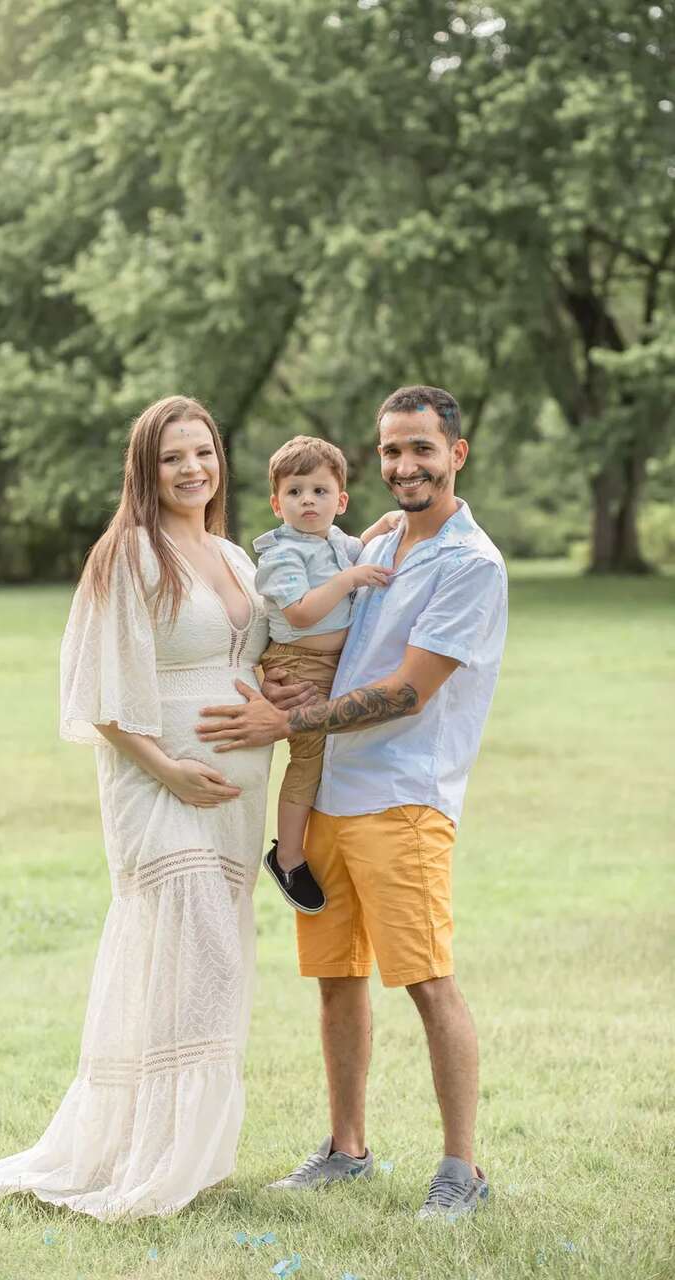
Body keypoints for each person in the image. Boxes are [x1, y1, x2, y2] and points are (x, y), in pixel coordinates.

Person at [198, 385, 508, 1220]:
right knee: (338, 978)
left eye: (422, 450)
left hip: (404, 799)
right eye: (392, 451)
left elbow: (407, 693)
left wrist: (285, 716)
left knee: (428, 981)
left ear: (456, 454)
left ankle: (462, 1170)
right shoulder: (372, 541)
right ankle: (346, 1149)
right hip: (330, 791)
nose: (405, 466)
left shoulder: (470, 565)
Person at [0, 395, 277, 1220]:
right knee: (191, 959)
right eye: (173, 456)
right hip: (159, 787)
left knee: (209, 967)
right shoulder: (130, 554)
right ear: (145, 469)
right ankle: (149, 1155)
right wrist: (172, 769)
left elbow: (256, 655)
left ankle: (184, 1151)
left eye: (204, 453)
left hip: (236, 800)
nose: (192, 469)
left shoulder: (235, 557)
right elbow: (101, 692)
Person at [252, 435, 397, 914]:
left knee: (343, 750)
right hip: (297, 665)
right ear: (277, 503)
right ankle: (288, 856)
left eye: (319, 491)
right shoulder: (282, 555)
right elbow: (300, 614)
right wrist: (348, 581)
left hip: (336, 666)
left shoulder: (336, 541)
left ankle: (333, 841)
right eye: (295, 492)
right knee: (308, 760)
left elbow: (358, 547)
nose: (307, 501)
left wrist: (381, 528)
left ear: (341, 501)